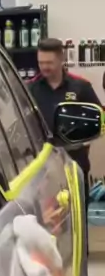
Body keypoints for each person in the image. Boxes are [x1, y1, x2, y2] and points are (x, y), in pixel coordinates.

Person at [28, 38, 102, 207]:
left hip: (75, 165)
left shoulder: (81, 87)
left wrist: (86, 140)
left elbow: (100, 119)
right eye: (41, 63)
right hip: (43, 170)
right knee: (48, 218)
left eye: (49, 63)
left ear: (61, 59)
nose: (44, 67)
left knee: (78, 213)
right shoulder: (30, 89)